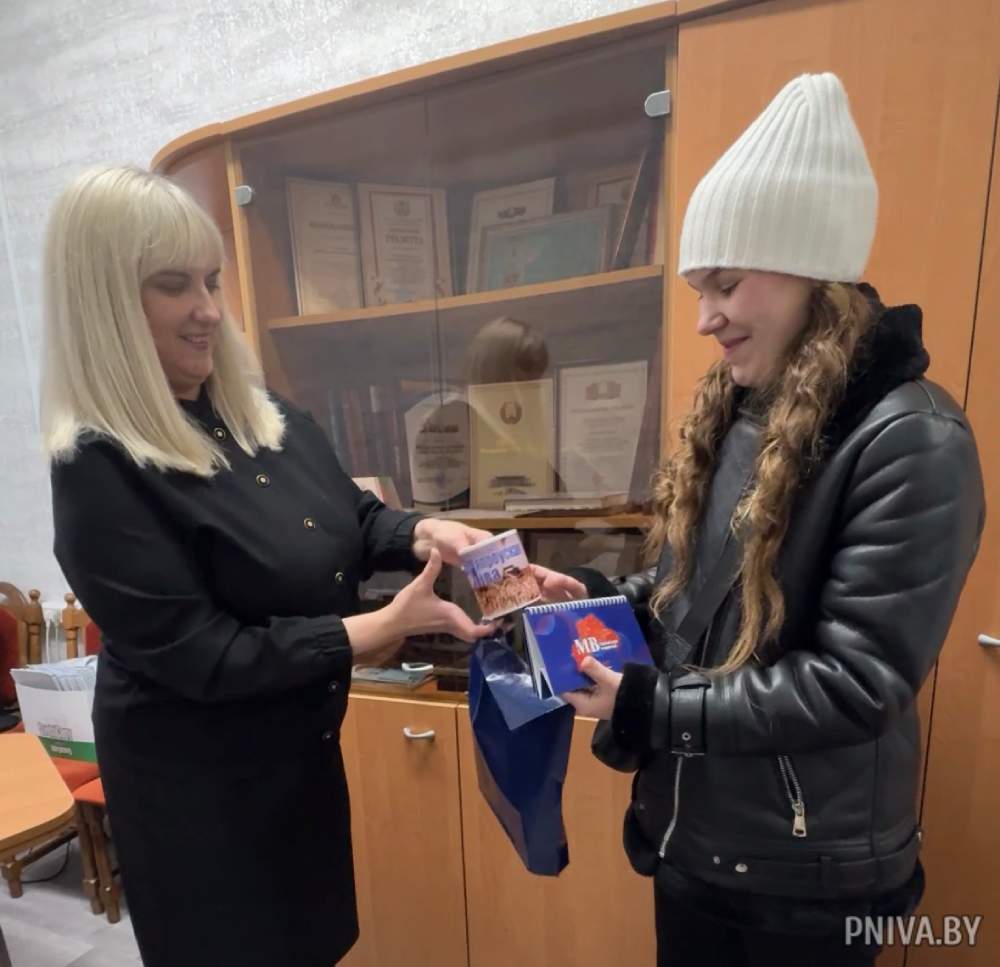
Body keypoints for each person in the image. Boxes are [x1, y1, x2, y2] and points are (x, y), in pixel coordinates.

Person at [41, 166, 583, 967]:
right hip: (197, 795)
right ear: (105, 303)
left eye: (212, 280)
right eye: (173, 285)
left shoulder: (264, 417)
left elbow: (351, 517)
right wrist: (378, 627)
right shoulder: (98, 465)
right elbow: (208, 656)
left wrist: (430, 533)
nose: (209, 309)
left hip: (299, 763)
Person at [564, 73, 985, 966]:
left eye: (725, 283)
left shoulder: (914, 439)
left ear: (807, 270)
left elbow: (854, 681)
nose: (705, 318)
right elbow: (691, 596)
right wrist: (591, 601)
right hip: (694, 844)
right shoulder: (740, 412)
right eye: (697, 289)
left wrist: (649, 704)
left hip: (807, 886)